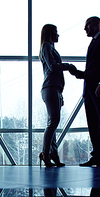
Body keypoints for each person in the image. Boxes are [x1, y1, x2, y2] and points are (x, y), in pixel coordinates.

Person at [70, 17, 100, 167]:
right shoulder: (92, 44)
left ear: (97, 24)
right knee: (92, 124)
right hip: (89, 90)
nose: (85, 29)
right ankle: (97, 155)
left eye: (87, 25)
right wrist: (77, 73)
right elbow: (93, 70)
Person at [39, 24, 76, 167]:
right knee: (53, 122)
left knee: (53, 123)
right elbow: (53, 67)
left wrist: (60, 93)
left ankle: (52, 153)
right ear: (49, 33)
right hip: (51, 88)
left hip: (54, 89)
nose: (58, 35)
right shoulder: (47, 47)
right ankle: (46, 154)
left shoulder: (50, 48)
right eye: (56, 32)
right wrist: (68, 66)